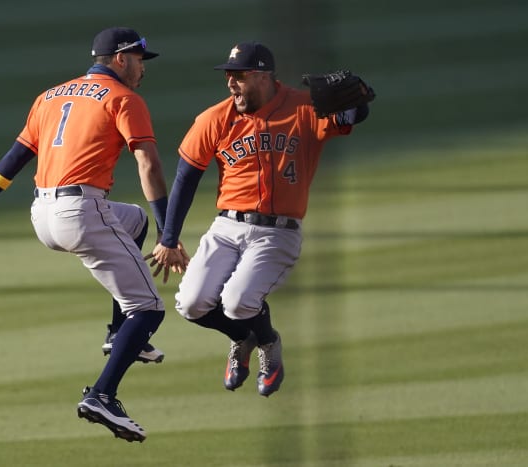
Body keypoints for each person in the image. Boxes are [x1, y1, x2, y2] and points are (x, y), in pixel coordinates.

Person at [0, 27, 187, 442]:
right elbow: (148, 165)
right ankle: (102, 395)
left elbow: (15, 158)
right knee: (150, 310)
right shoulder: (124, 99)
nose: (141, 69)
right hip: (81, 211)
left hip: (42, 214)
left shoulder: (50, 96)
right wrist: (170, 233)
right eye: (138, 59)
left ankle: (118, 332)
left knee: (133, 220)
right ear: (119, 59)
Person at [150, 41, 372, 397]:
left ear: (264, 77)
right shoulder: (215, 119)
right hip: (226, 227)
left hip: (277, 232)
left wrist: (358, 98)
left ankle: (268, 345)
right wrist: (169, 236)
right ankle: (244, 339)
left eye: (238, 76)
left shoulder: (303, 107)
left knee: (237, 302)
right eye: (228, 76)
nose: (230, 84)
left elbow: (352, 116)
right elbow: (186, 176)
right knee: (190, 303)